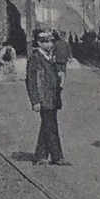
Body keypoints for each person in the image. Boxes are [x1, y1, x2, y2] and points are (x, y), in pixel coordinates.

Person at [25, 29, 68, 165]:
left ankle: (40, 155)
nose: (49, 45)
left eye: (51, 42)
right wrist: (35, 101)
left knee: (46, 125)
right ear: (39, 43)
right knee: (51, 126)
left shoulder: (51, 57)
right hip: (44, 98)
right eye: (45, 42)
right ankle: (57, 157)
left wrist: (60, 79)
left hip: (53, 97)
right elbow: (31, 82)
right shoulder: (35, 58)